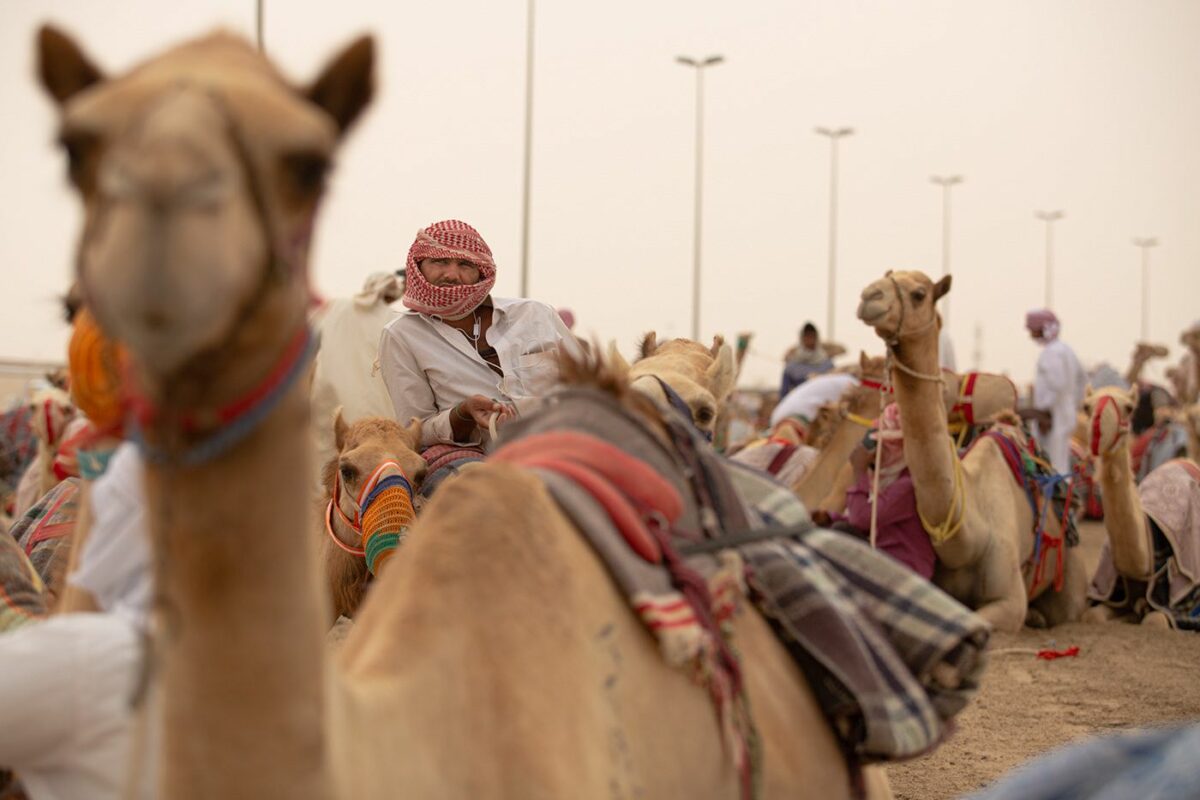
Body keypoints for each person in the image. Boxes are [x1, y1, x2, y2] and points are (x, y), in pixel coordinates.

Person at [378, 220, 578, 489]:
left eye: (465, 265)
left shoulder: (535, 315)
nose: (451, 275)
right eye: (439, 262)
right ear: (418, 267)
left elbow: (594, 387)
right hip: (478, 463)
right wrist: (461, 414)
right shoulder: (401, 335)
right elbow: (416, 430)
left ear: (481, 272)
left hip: (565, 450)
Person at [815, 403, 936, 579]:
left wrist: (859, 471)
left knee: (840, 535)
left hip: (904, 569)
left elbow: (862, 519)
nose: (878, 452)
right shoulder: (887, 480)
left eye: (885, 446)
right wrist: (829, 517)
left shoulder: (908, 485)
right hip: (884, 557)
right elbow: (874, 520)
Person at [310, 271, 403, 488]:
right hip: (381, 407)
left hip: (332, 401)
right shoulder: (395, 319)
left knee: (328, 462)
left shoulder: (334, 310)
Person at [1021, 309, 1087, 475]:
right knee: (1060, 462)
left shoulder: (1051, 353)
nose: (1031, 335)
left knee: (1052, 465)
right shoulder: (1066, 350)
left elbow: (1058, 384)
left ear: (1043, 329)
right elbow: (1082, 381)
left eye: (1034, 330)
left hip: (1052, 418)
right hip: (1065, 413)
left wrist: (1045, 413)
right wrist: (1073, 404)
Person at [780, 322, 838, 396]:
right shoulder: (791, 367)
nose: (810, 339)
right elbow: (784, 393)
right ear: (802, 338)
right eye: (807, 336)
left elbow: (833, 388)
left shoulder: (827, 364)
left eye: (812, 336)